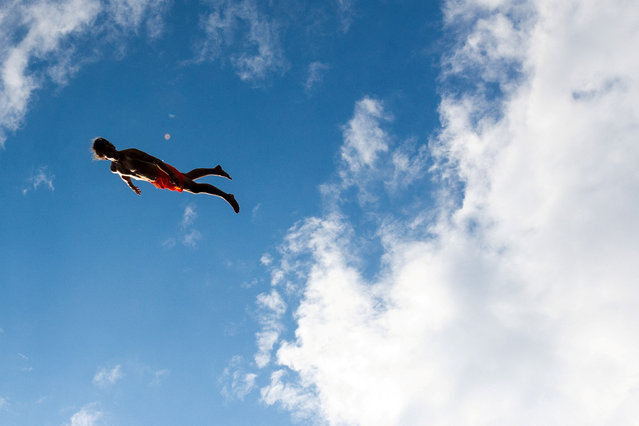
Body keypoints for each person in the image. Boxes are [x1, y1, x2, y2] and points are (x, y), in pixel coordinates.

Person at [92, 137, 239, 213]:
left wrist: (170, 174)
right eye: (108, 154)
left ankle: (227, 196)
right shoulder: (114, 168)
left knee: (194, 188)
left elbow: (155, 160)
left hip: (162, 173)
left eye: (110, 149)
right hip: (156, 181)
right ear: (105, 157)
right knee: (187, 177)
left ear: (112, 145)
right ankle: (215, 170)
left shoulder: (130, 153)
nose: (112, 153)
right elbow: (125, 177)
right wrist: (132, 187)